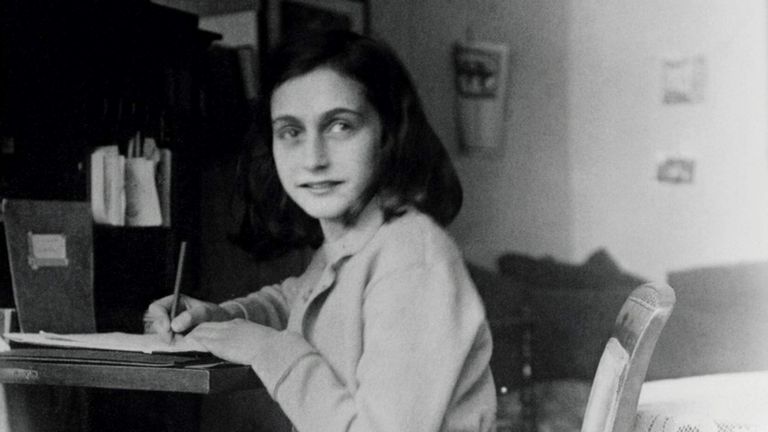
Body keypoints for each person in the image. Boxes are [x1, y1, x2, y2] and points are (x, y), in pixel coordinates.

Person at [144, 30, 496, 431]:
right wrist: (219, 317)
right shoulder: (351, 246)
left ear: (388, 133)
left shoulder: (411, 256)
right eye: (291, 132)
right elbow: (298, 301)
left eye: (340, 126)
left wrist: (268, 350)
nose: (313, 159)